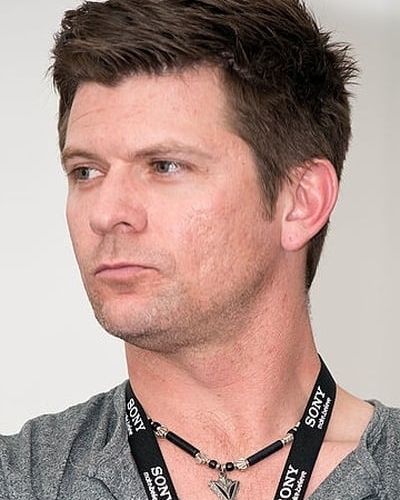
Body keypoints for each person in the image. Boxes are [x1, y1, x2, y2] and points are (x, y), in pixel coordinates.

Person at [1, 0, 399, 498]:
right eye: (86, 171)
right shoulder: (21, 479)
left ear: (301, 201)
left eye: (165, 166)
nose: (105, 213)